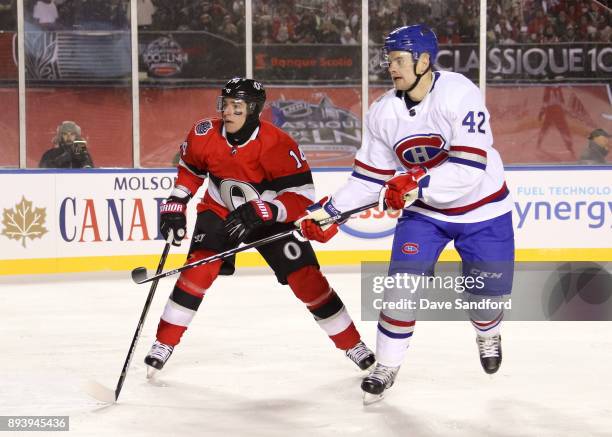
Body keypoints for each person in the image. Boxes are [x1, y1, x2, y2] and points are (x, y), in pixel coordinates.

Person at [298, 25, 515, 403]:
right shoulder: (382, 112)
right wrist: (330, 211)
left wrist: (415, 182)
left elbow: (469, 168)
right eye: (389, 61)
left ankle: (487, 332)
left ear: (424, 60)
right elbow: (369, 180)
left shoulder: (459, 93)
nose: (391, 68)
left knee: (487, 299)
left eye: (399, 60)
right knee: (400, 290)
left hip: (484, 212)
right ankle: (385, 366)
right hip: (425, 217)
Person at [144, 77, 375, 376]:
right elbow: (190, 170)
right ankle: (164, 343)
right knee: (198, 270)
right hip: (220, 211)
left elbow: (302, 196)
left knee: (306, 278)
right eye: (225, 105)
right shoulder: (204, 133)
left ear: (253, 110)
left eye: (236, 107)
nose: (227, 112)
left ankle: (353, 345)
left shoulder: (278, 144)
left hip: (269, 218)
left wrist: (268, 209)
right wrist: (176, 203)